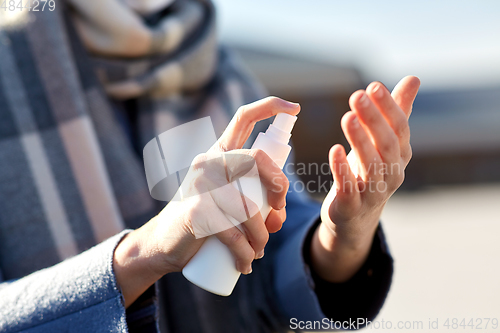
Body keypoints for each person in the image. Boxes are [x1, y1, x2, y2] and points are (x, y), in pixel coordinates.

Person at [0, 0, 420, 332]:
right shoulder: (9, 67)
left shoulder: (220, 71)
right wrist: (143, 254)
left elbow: (273, 255)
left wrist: (343, 236)